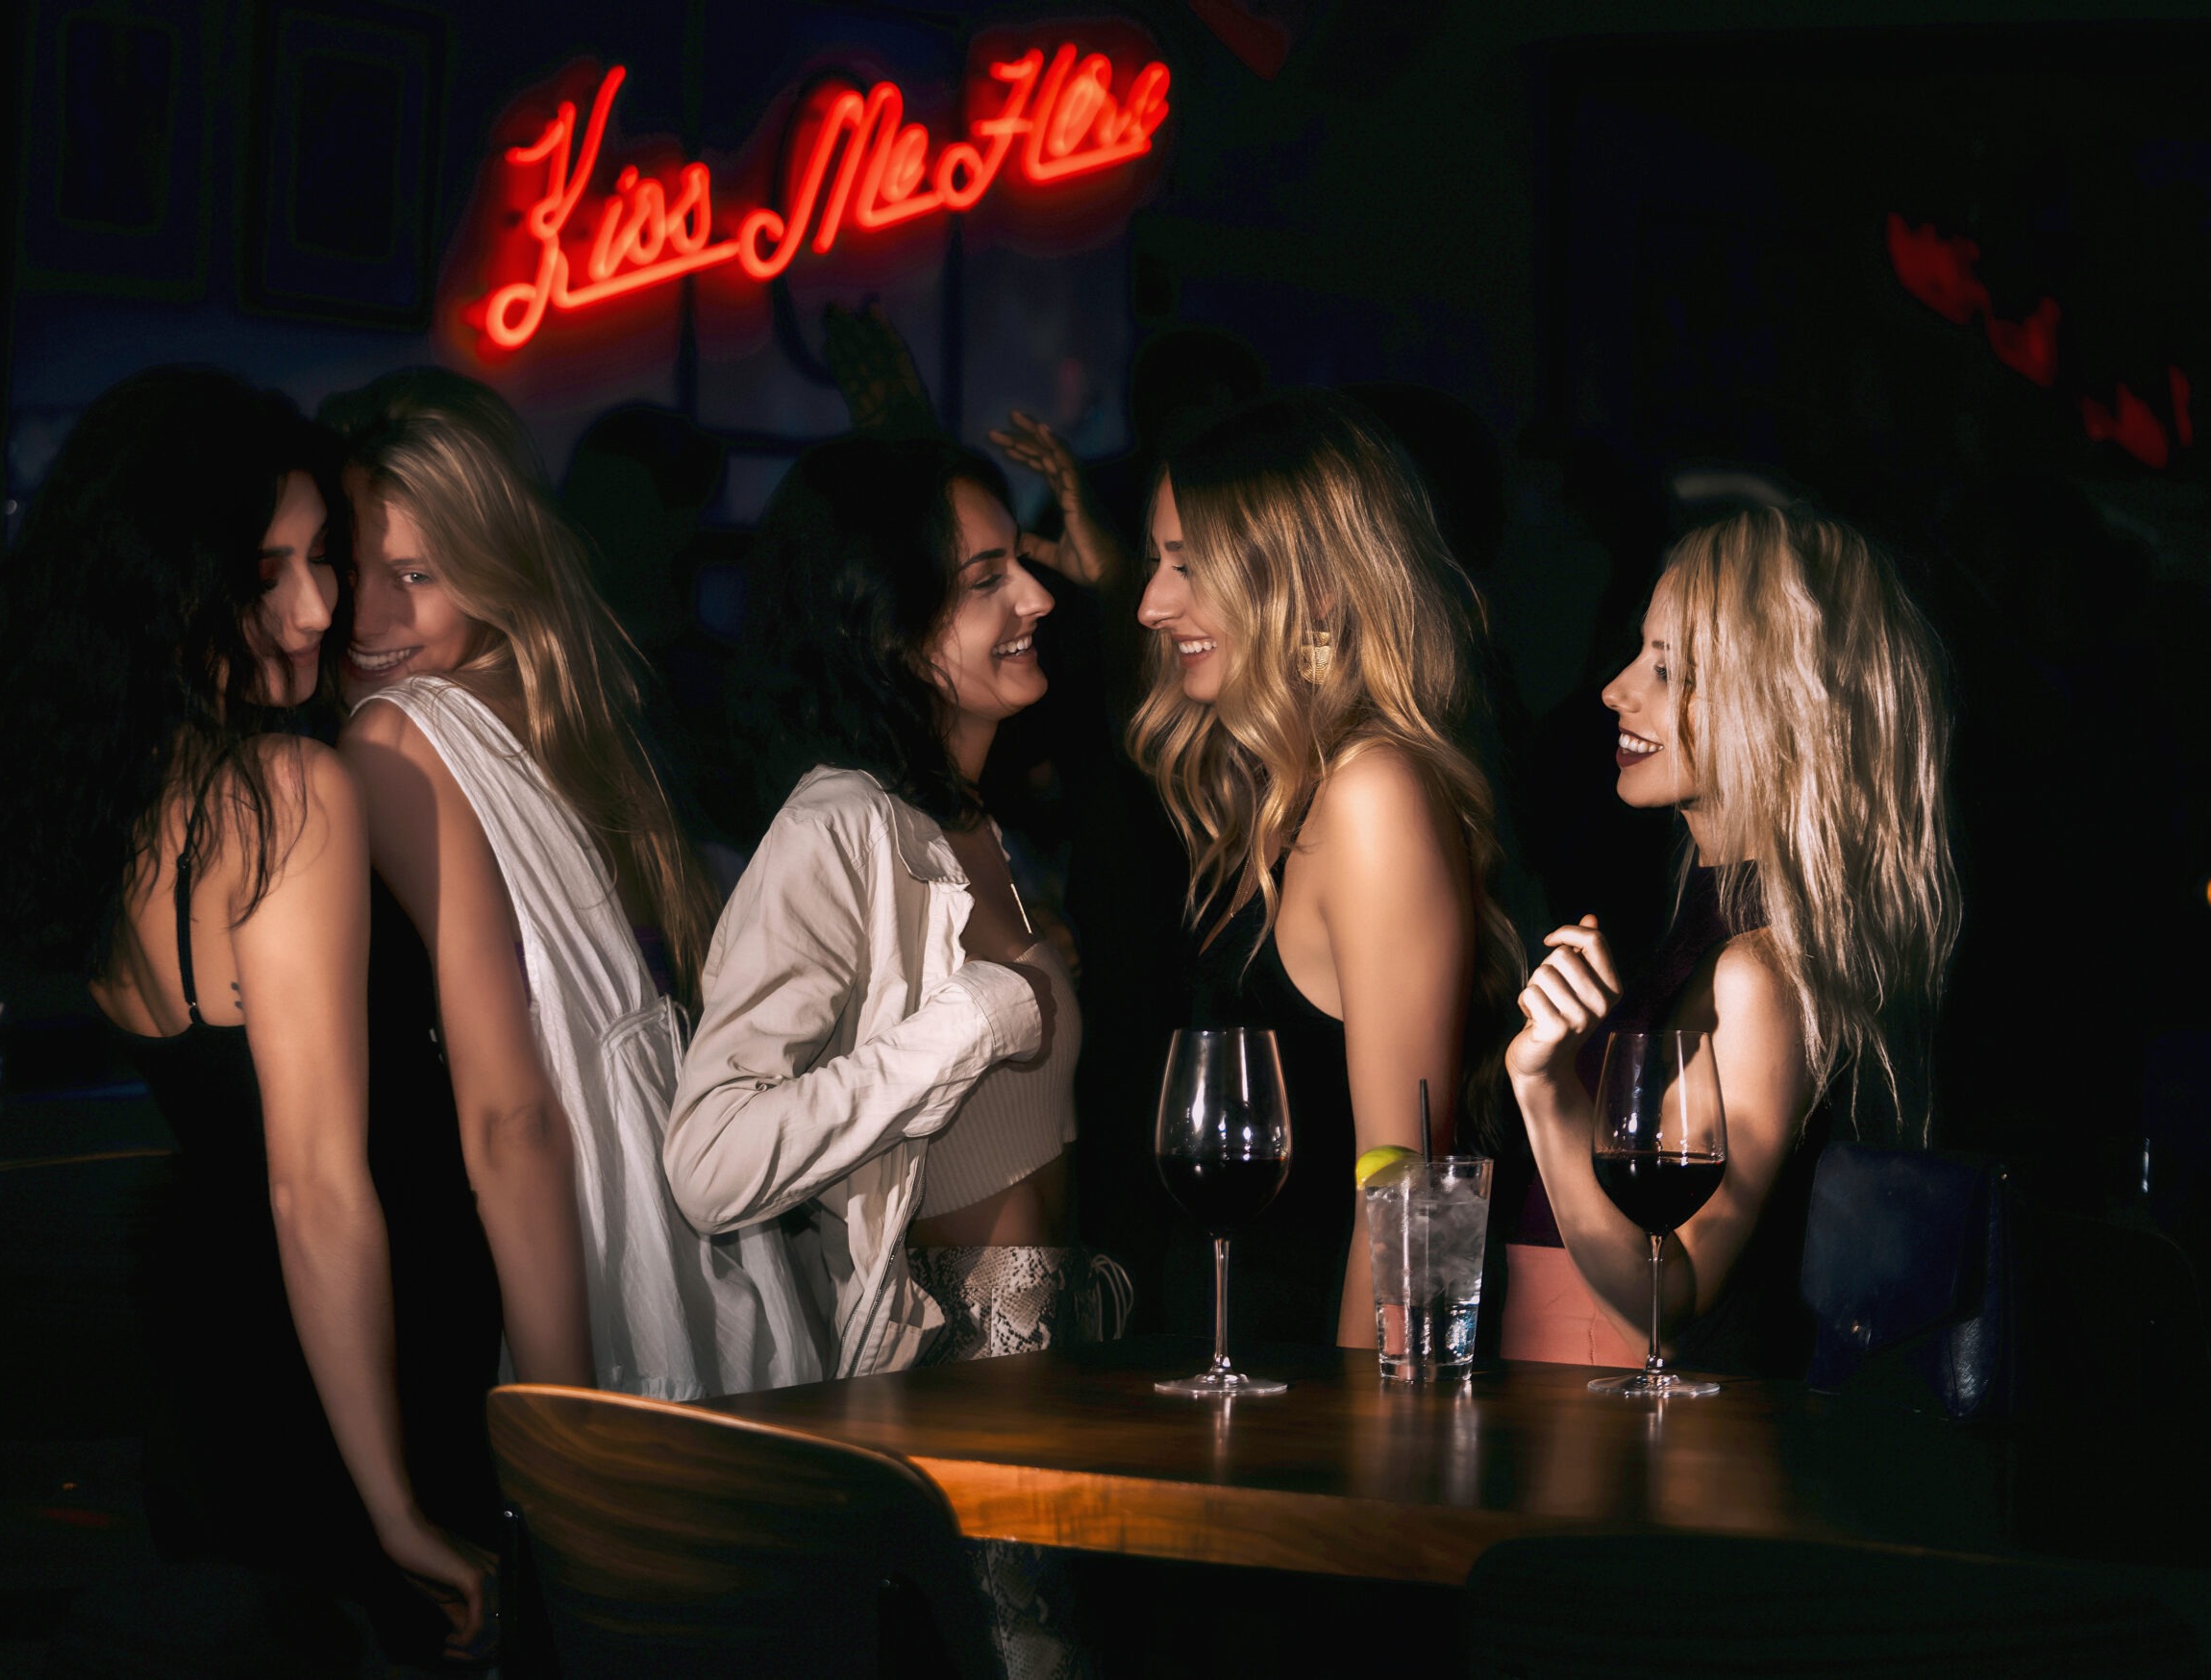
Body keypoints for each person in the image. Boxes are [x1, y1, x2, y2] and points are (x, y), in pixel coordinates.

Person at [0, 367, 489, 1661]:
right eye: (269, 574)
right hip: (350, 1369)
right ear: (169, 582)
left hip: (210, 1365)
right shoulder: (286, 792)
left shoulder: (107, 795)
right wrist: (396, 1509)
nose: (318, 609)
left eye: (324, 561)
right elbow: (315, 1190)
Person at [329, 370, 822, 1398]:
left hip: (581, 1233)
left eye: (415, 575)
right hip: (687, 1213)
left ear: (494, 567)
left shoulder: (396, 733)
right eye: (350, 569)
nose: (367, 615)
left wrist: (556, 1411)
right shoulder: (559, 709)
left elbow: (515, 1114)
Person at [665, 433, 1128, 1375]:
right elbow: (709, 1162)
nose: (1035, 598)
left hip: (1035, 1365)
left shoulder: (959, 816)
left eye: (1024, 569)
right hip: (941, 1393)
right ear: (885, 625)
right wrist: (968, 1022)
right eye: (985, 578)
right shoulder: (835, 826)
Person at [1504, 506, 1959, 1375]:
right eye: (1641, 653)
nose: (1616, 690)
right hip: (1566, 1427)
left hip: (1627, 1462)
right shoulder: (1702, 934)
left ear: (1784, 708)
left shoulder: (1758, 971)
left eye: (1670, 671)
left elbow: (1665, 1300)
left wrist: (1547, 1090)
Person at [1130, 388, 1523, 1348]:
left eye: (1188, 566)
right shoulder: (1284, 791)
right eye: (1155, 563)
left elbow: (1409, 1195)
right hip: (1239, 1385)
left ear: (1307, 581)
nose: (1150, 603)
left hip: (1309, 1414)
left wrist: (1366, 1461)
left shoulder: (1371, 794)